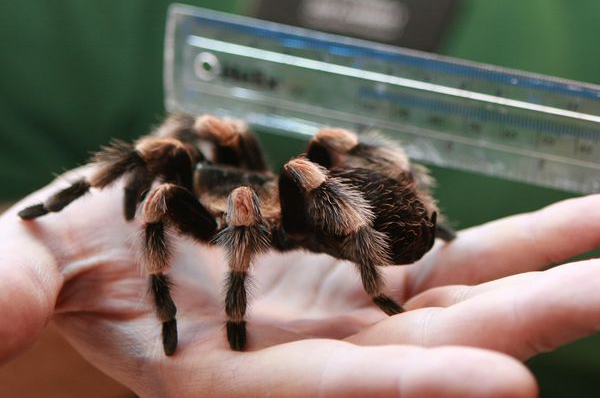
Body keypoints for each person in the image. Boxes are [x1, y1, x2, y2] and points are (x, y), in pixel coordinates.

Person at [1, 166, 599, 397]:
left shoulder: (259, 195)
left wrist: (230, 316)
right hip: (330, 212)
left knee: (175, 193)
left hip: (340, 222)